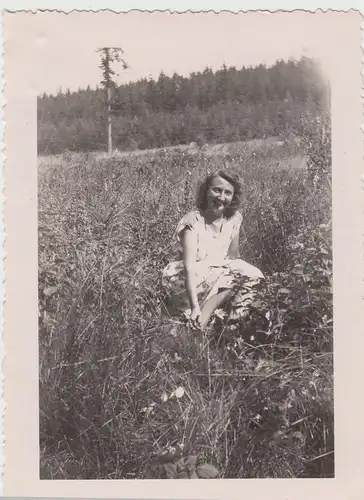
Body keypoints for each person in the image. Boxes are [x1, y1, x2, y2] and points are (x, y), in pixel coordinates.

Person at [162, 170, 264, 330]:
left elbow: (233, 257)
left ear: (233, 197)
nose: (221, 197)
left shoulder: (234, 219)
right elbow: (189, 267)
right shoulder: (193, 221)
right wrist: (194, 305)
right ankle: (201, 317)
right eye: (216, 190)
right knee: (233, 280)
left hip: (218, 274)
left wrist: (247, 276)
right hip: (188, 279)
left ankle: (232, 328)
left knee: (254, 277)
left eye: (228, 193)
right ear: (205, 191)